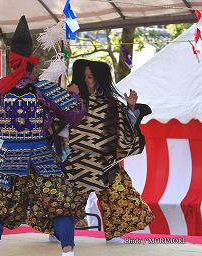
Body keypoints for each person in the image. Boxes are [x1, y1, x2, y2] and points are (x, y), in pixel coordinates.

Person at [0, 16, 86, 256]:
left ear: (11, 63)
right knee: (59, 203)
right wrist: (73, 95)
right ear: (32, 63)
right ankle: (68, 251)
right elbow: (76, 115)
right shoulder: (44, 88)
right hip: (43, 157)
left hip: (9, 157)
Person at [50, 59, 154, 243]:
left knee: (120, 197)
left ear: (99, 79)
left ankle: (116, 232)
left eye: (90, 77)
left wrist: (131, 109)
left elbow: (126, 135)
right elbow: (56, 128)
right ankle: (57, 231)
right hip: (75, 163)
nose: (87, 80)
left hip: (105, 164)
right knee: (62, 201)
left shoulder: (113, 105)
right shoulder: (71, 100)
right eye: (84, 77)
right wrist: (67, 100)